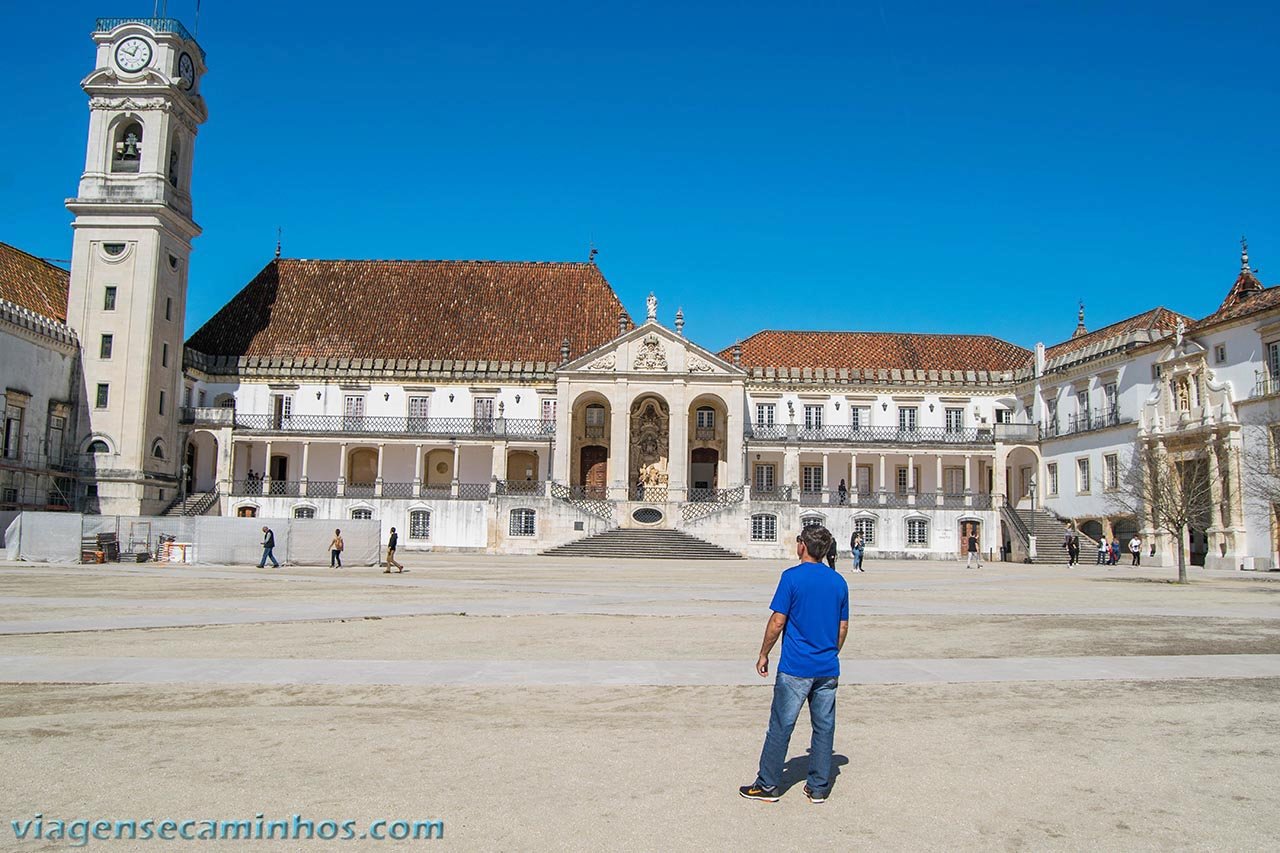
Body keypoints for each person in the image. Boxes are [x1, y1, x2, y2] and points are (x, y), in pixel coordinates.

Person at [740, 525, 849, 804]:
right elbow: (843, 626)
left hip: (796, 666)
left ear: (803, 546)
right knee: (824, 728)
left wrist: (763, 653)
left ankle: (767, 785)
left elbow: (777, 622)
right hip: (827, 667)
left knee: (781, 725)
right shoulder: (839, 582)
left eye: (799, 540)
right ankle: (818, 787)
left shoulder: (792, 577)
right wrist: (829, 653)